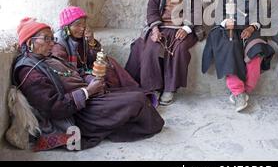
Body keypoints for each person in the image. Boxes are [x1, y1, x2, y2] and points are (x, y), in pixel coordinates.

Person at [11, 17, 164, 151]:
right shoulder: (29, 71)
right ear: (30, 42)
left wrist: (92, 79)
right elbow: (54, 108)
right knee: (136, 100)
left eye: (52, 39)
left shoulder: (48, 57)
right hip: (80, 113)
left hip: (88, 97)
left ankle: (119, 121)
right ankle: (119, 127)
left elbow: (75, 71)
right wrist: (87, 92)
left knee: (130, 93)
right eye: (46, 39)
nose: (52, 43)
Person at [125, 0, 204, 106]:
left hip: (183, 26)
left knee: (180, 49)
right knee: (151, 47)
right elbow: (152, 8)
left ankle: (170, 88)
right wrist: (154, 29)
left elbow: (197, 9)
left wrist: (187, 28)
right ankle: (152, 88)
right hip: (161, 25)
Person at [202, 0, 274, 112]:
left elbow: (259, 14)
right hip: (231, 27)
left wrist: (252, 27)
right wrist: (226, 22)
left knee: (257, 49)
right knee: (229, 46)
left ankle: (244, 90)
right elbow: (220, 10)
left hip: (250, 28)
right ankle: (237, 91)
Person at [53, 6, 139, 90]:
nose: (82, 28)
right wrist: (88, 74)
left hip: (86, 69)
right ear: (66, 27)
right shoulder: (59, 46)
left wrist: (91, 42)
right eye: (78, 24)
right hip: (76, 77)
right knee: (101, 75)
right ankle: (119, 94)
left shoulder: (80, 38)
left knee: (108, 61)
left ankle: (132, 88)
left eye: (84, 24)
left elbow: (93, 57)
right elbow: (66, 74)